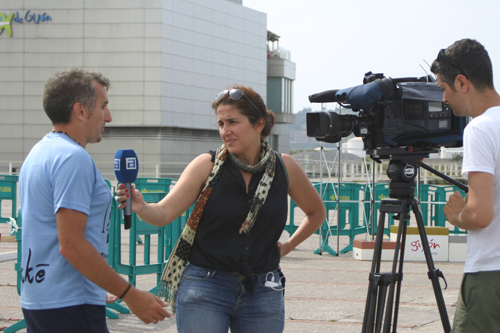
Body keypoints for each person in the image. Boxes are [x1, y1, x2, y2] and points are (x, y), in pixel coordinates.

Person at [116, 84, 326, 332]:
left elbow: (316, 213)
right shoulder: (207, 164)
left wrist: (289, 246)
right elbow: (163, 213)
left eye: (233, 122)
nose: (225, 131)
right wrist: (141, 206)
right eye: (221, 124)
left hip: (263, 288)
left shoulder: (285, 166)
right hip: (205, 287)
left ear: (259, 124)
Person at [19, 68, 171, 333]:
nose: (108, 117)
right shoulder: (73, 158)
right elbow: (72, 245)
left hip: (40, 299)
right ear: (80, 111)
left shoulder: (40, 152)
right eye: (103, 106)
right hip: (70, 304)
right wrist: (130, 294)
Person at [431, 39, 500, 332]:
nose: (444, 99)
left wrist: (456, 214)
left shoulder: (480, 128)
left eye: (443, 89)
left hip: (489, 275)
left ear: (462, 82)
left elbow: (479, 215)